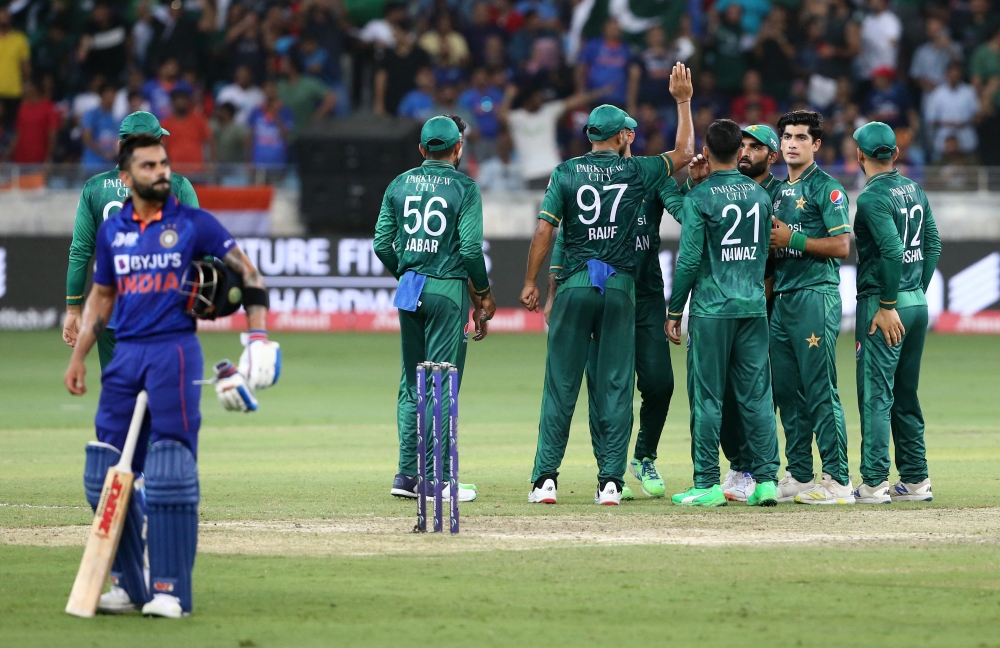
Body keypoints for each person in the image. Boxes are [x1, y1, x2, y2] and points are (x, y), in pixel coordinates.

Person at [63, 133, 277, 618]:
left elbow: (249, 275)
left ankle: (170, 590)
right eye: (148, 165)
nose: (161, 172)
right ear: (125, 176)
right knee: (104, 472)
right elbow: (101, 298)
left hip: (173, 352)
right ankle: (127, 583)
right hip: (124, 358)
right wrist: (79, 356)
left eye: (163, 163)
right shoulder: (112, 230)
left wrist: (259, 338)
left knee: (169, 469)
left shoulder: (194, 222)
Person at [519, 63, 693, 507]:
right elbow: (685, 151)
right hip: (620, 290)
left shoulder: (565, 172)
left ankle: (544, 481)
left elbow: (545, 232)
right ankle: (610, 483)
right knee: (615, 385)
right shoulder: (637, 173)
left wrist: (531, 282)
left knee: (561, 384)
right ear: (619, 138)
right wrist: (683, 102)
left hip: (575, 283)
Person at [373, 115, 496, 502]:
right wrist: (483, 292)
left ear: (423, 149)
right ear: (458, 148)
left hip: (411, 289)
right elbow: (471, 249)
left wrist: (407, 272)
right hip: (447, 289)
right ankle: (439, 480)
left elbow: (381, 244)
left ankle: (407, 476)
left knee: (413, 384)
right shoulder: (464, 187)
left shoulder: (399, 183)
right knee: (440, 385)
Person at [664, 118, 779, 507]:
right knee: (757, 397)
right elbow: (764, 253)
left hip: (713, 309)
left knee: (708, 398)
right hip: (752, 306)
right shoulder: (761, 196)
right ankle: (765, 481)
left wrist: (675, 309)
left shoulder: (699, 198)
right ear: (739, 152)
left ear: (708, 153)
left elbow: (690, 258)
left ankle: (707, 482)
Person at [63, 112, 200, 371]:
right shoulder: (178, 186)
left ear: (119, 146)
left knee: (121, 398)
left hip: (110, 311)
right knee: (161, 398)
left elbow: (80, 251)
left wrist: (73, 308)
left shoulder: (95, 188)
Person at [851, 122, 941, 504]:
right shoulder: (913, 188)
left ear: (859, 156)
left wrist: (889, 304)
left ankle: (873, 482)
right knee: (905, 393)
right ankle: (916, 479)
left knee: (875, 394)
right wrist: (914, 289)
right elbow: (933, 243)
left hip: (883, 304)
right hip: (917, 302)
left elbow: (890, 249)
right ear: (895, 154)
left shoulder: (872, 198)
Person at [768, 110, 854, 505]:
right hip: (782, 300)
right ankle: (800, 474)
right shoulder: (775, 191)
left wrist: (793, 238)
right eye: (786, 136)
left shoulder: (828, 188)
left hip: (815, 295)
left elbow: (840, 246)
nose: (791, 143)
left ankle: (838, 481)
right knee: (787, 392)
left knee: (820, 390)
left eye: (801, 137)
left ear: (816, 145)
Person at [499, 83, 611, 189]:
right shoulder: (517, 118)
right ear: (527, 101)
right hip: (531, 174)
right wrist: (509, 95)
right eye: (536, 98)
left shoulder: (548, 111)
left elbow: (576, 100)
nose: (540, 100)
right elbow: (501, 116)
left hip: (552, 170)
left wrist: (601, 92)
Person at [160, 88, 214, 173]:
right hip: (174, 170)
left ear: (188, 101)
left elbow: (210, 142)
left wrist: (211, 163)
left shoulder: (199, 120)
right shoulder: (165, 124)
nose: (181, 102)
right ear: (172, 102)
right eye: (177, 99)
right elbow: (161, 147)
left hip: (197, 170)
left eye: (183, 99)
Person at [81, 82, 122, 173]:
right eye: (108, 94)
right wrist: (104, 153)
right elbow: (86, 139)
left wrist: (114, 152)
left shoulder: (116, 117)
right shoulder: (91, 115)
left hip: (110, 167)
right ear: (101, 95)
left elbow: (118, 139)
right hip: (93, 165)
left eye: (113, 95)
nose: (111, 98)